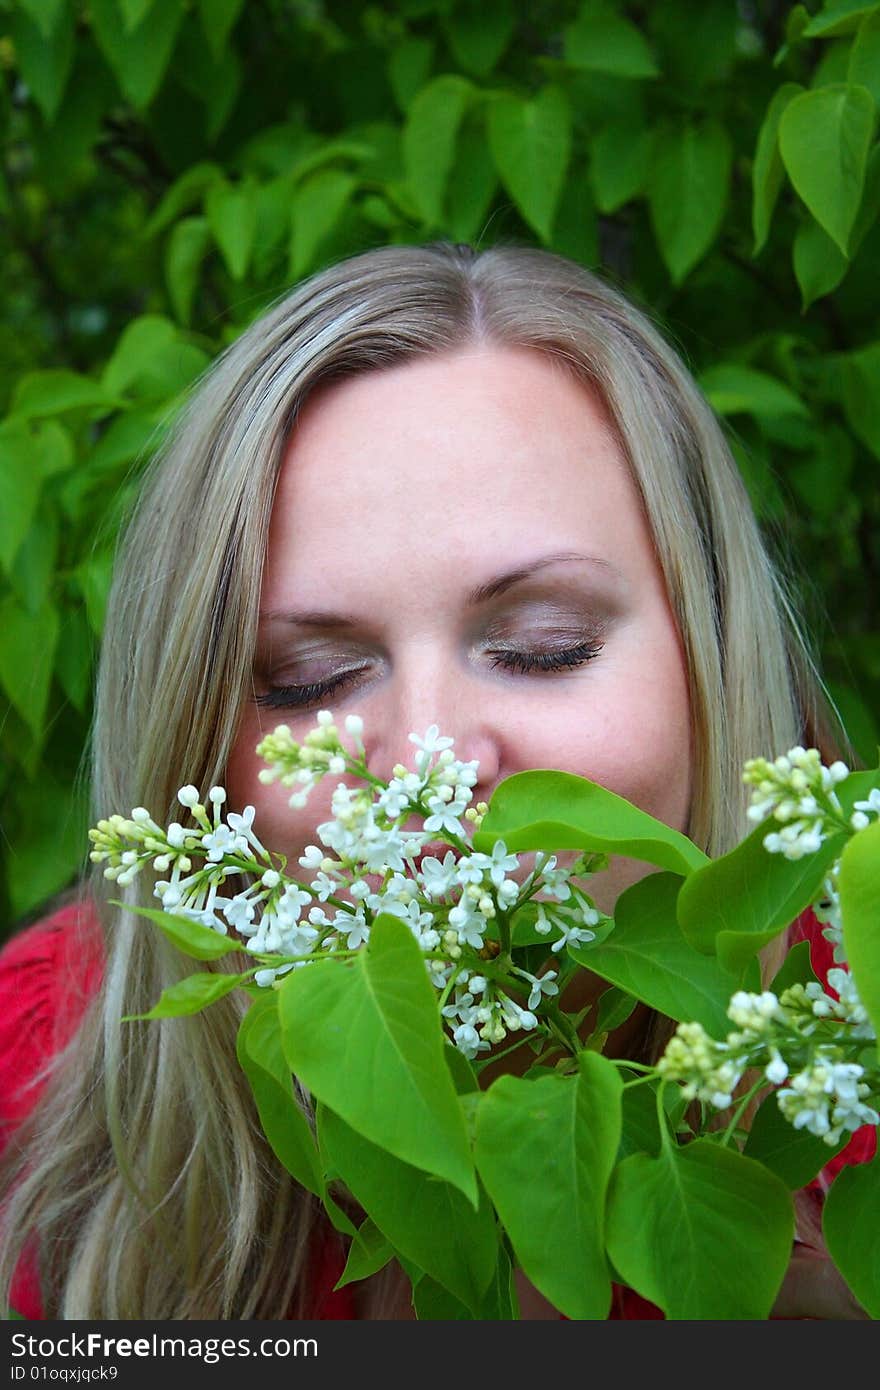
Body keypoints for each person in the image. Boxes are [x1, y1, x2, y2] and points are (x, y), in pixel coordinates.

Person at [0, 241, 871, 1321]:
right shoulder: (35, 1064)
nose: (426, 764)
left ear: (709, 652)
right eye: (306, 679)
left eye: (542, 646)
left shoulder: (844, 1061)